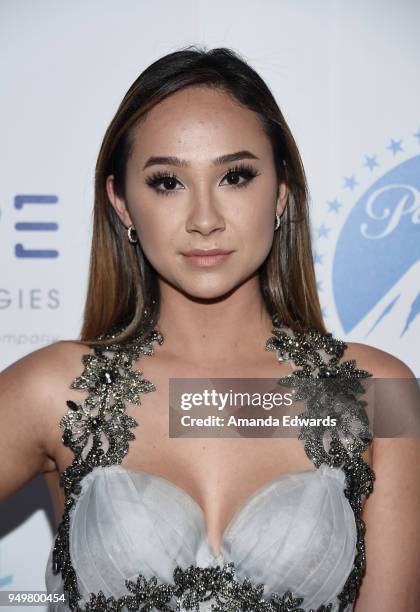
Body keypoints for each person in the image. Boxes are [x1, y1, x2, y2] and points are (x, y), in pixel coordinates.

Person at [0, 45, 419, 612]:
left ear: (280, 193)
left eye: (236, 176)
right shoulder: (57, 389)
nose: (204, 219)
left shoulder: (376, 394)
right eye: (168, 182)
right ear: (121, 203)